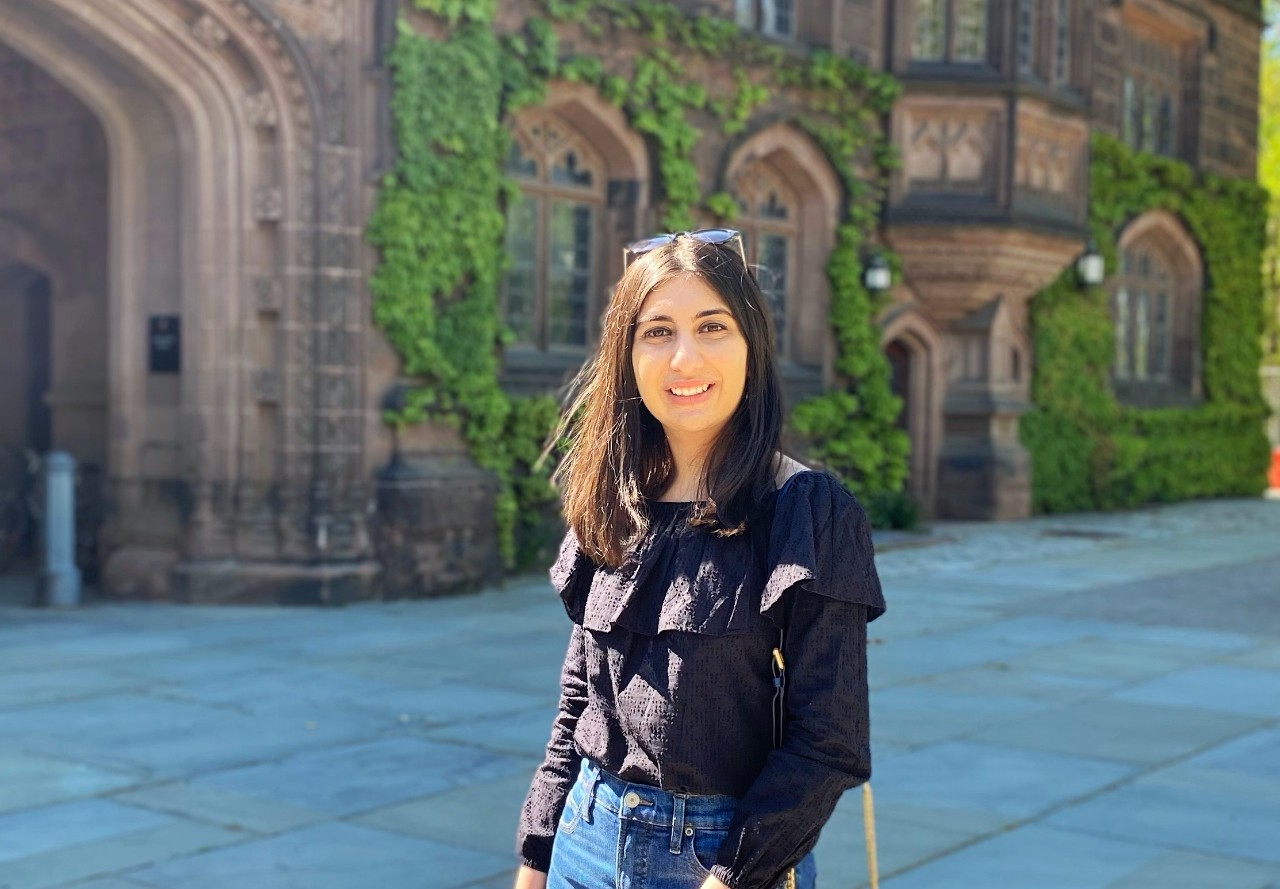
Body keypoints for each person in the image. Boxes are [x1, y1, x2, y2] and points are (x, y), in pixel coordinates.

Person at [512, 229, 886, 889]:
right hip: (583, 840)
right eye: (657, 332)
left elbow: (829, 742)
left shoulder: (806, 511)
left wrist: (726, 878)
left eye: (711, 326)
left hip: (726, 857)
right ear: (627, 355)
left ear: (751, 345)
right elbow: (579, 702)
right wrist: (536, 855)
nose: (684, 357)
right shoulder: (616, 499)